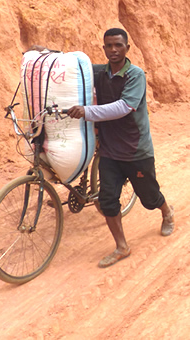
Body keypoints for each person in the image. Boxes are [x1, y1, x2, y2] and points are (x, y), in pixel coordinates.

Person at [67, 28, 175, 268]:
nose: (113, 50)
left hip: (136, 150)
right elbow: (72, 69)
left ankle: (166, 212)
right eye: (108, 46)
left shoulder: (136, 75)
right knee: (108, 201)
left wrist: (87, 112)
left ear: (128, 47)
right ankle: (122, 247)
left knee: (149, 197)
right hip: (109, 151)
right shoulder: (98, 72)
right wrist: (47, 56)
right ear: (103, 48)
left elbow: (123, 107)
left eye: (118, 45)